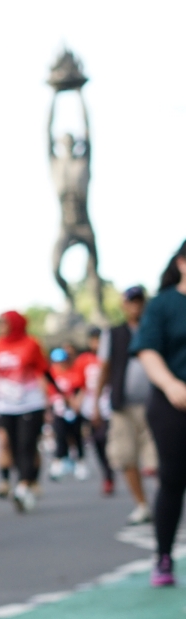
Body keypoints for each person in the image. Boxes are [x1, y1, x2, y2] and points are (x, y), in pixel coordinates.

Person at [132, 241, 186, 587]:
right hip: (173, 404)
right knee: (173, 479)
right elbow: (148, 350)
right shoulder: (164, 304)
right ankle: (163, 556)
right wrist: (171, 385)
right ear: (181, 262)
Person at [0, 311, 51, 512]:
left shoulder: (31, 344)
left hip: (30, 403)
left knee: (26, 444)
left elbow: (42, 373)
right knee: (8, 444)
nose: (0, 326)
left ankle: (23, 486)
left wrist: (48, 404)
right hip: (5, 406)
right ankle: (18, 480)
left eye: (4, 322)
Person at [99, 286, 155, 525]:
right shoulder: (113, 333)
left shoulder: (154, 327)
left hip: (154, 404)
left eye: (139, 301)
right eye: (131, 302)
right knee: (126, 456)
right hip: (122, 405)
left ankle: (165, 502)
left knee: (158, 460)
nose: (136, 306)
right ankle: (142, 505)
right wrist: (96, 401)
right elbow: (104, 368)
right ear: (124, 304)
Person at [68, 327, 112, 494]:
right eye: (94, 340)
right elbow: (80, 385)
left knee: (109, 438)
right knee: (98, 440)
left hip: (110, 404)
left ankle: (112, 467)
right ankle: (107, 474)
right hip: (91, 406)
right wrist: (77, 402)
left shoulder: (111, 357)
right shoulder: (84, 360)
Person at [47, 346, 87, 480]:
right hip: (59, 410)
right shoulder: (51, 374)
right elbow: (49, 392)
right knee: (60, 434)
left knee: (76, 435)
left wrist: (77, 402)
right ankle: (60, 461)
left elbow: (81, 388)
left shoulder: (74, 372)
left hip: (74, 409)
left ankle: (80, 462)